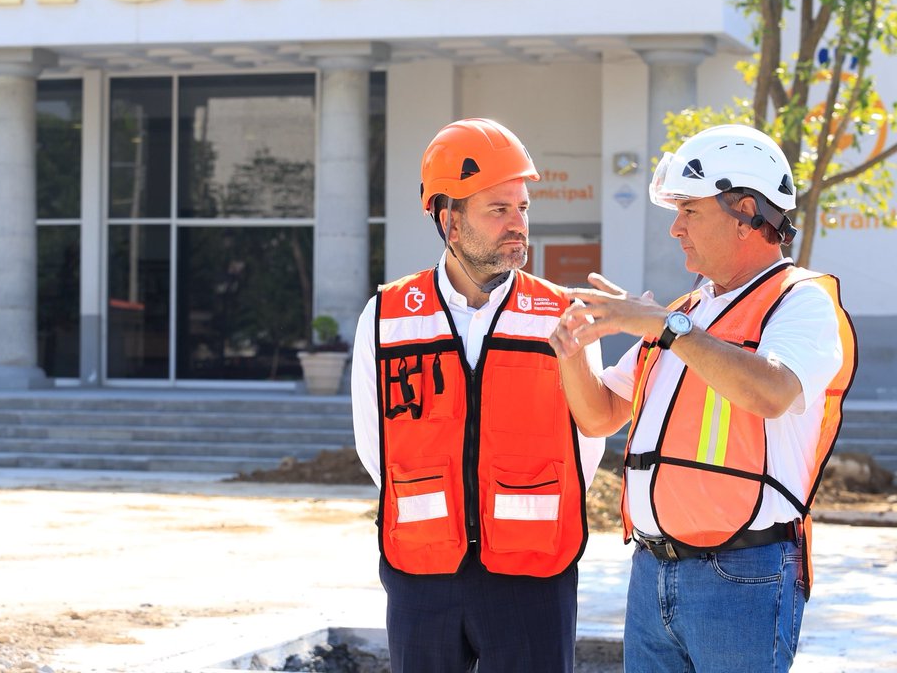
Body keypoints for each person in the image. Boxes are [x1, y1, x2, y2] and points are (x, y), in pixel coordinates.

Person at [547, 124, 857, 672]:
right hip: (652, 570)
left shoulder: (800, 302)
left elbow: (771, 390)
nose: (675, 228)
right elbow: (597, 417)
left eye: (689, 210)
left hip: (743, 576)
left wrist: (664, 325)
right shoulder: (687, 311)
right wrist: (573, 348)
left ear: (744, 213)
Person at [351, 117, 605, 673]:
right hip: (421, 573)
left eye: (523, 208)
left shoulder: (563, 313)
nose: (518, 225)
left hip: (533, 572)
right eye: (498, 210)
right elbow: (377, 448)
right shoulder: (387, 317)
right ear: (448, 219)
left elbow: (587, 443)